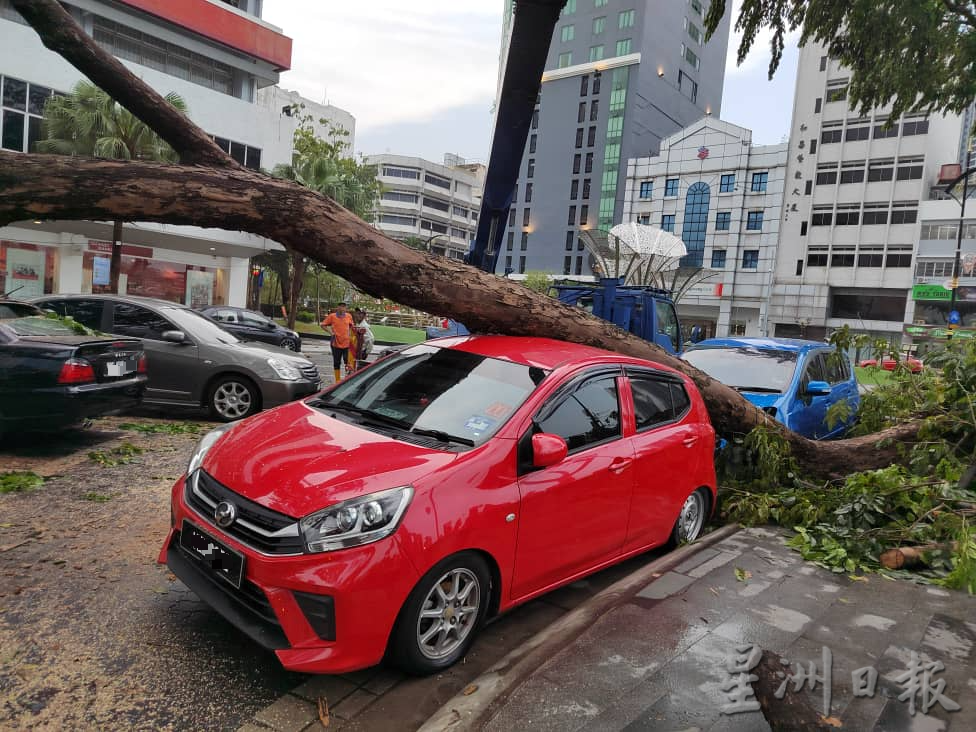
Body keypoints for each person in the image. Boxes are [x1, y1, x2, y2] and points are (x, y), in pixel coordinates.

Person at [321, 302, 354, 383]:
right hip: (335, 343)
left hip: (346, 343)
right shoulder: (332, 316)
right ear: (337, 307)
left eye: (344, 306)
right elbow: (323, 325)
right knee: (336, 362)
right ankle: (337, 381)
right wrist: (331, 333)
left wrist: (350, 336)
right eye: (341, 306)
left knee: (348, 362)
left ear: (346, 308)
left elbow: (352, 326)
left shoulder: (349, 316)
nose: (342, 308)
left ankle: (347, 379)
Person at [349, 307, 375, 372]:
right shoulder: (358, 324)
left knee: (357, 371)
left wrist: (366, 352)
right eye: (357, 313)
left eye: (360, 314)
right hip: (355, 352)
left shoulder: (364, 326)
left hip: (360, 353)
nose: (358, 315)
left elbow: (371, 339)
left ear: (364, 315)